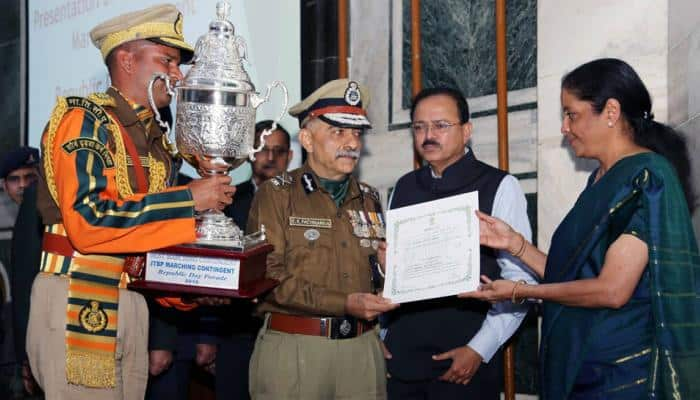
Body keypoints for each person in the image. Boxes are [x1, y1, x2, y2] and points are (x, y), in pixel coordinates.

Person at [26, 4, 234, 399]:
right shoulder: (84, 119)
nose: (177, 74)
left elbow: (144, 238)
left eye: (177, 64)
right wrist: (187, 199)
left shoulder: (155, 139)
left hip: (133, 300)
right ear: (126, 59)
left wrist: (188, 287)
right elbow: (91, 222)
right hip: (78, 296)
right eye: (167, 61)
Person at [462, 58, 700, 399]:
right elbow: (573, 275)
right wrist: (515, 245)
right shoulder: (600, 178)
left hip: (623, 375)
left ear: (611, 112)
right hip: (583, 365)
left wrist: (521, 292)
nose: (564, 127)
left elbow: (612, 290)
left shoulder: (646, 175)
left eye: (571, 114)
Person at [247, 78, 398, 400]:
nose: (352, 143)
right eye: (338, 132)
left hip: (361, 350)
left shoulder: (369, 198)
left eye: (357, 134)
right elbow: (268, 277)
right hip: (297, 350)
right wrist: (344, 303)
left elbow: (373, 274)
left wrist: (388, 273)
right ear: (307, 139)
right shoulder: (276, 195)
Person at [380, 87, 535, 399]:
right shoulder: (405, 187)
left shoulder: (500, 186)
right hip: (402, 362)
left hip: (465, 364)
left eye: (441, 126)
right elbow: (392, 273)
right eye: (419, 127)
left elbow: (522, 281)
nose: (428, 136)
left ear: (467, 131)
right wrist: (382, 334)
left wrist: (480, 349)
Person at [216, 120, 293, 400]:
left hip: (292, 330)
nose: (270, 158)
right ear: (250, 153)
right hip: (237, 331)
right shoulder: (226, 201)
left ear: (290, 156)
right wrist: (207, 337)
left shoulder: (307, 203)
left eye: (279, 151)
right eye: (263, 150)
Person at [0, 147, 43, 396]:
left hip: (37, 343)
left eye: (30, 177)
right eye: (15, 179)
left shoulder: (46, 221)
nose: (23, 186)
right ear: (5, 186)